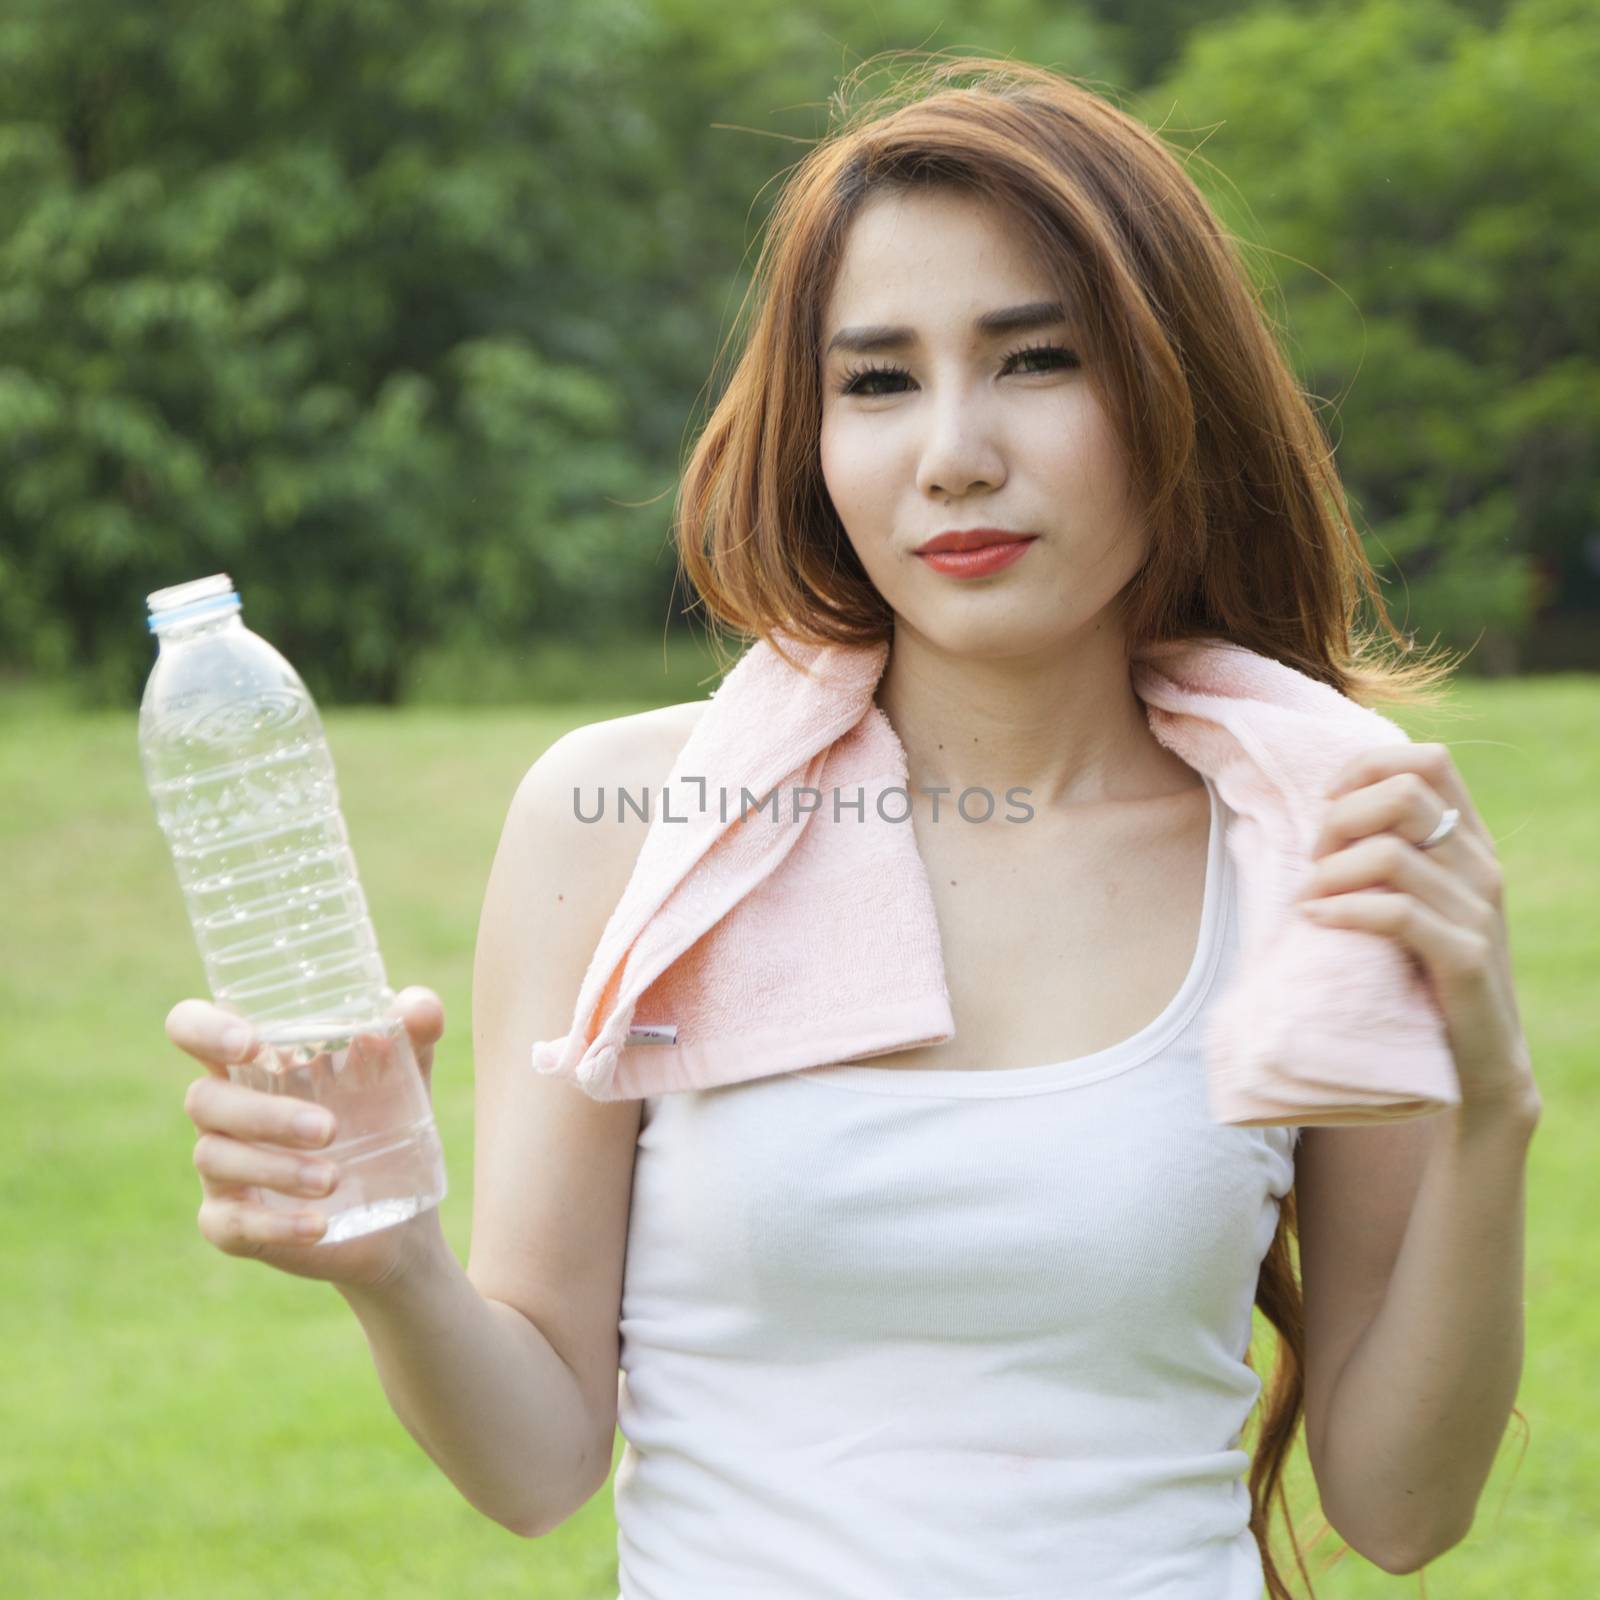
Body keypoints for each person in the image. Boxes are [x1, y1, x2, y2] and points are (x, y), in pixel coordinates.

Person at [166, 53, 1539, 1600]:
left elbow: (1402, 1510)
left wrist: (1492, 1111)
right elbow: (540, 1456)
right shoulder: (624, 826)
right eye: (877, 380)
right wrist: (390, 1261)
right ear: (813, 438)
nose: (952, 450)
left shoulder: (1321, 835)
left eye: (1036, 361)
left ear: (1174, 395)